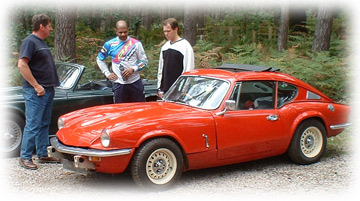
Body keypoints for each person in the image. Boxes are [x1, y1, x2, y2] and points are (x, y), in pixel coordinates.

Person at [17, 14, 60, 170]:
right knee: (33, 124)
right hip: (36, 92)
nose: (51, 28)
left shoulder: (41, 43)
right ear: (41, 26)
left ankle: (42, 154)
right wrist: (36, 86)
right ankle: (25, 157)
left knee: (43, 124)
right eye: (49, 26)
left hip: (47, 90)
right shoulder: (29, 42)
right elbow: (22, 65)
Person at [97, 20, 148, 103]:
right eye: (120, 32)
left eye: (125, 32)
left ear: (128, 30)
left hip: (135, 83)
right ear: (116, 31)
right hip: (119, 84)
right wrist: (107, 73)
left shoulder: (136, 44)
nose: (123, 34)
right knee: (120, 111)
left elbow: (144, 61)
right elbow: (99, 59)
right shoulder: (109, 44)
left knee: (139, 110)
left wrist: (133, 69)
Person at [157, 18, 195, 98]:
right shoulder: (165, 47)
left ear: (176, 29)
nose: (166, 34)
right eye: (165, 31)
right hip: (165, 90)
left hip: (179, 90)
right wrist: (159, 87)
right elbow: (161, 69)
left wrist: (184, 89)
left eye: (168, 31)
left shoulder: (185, 46)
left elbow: (188, 69)